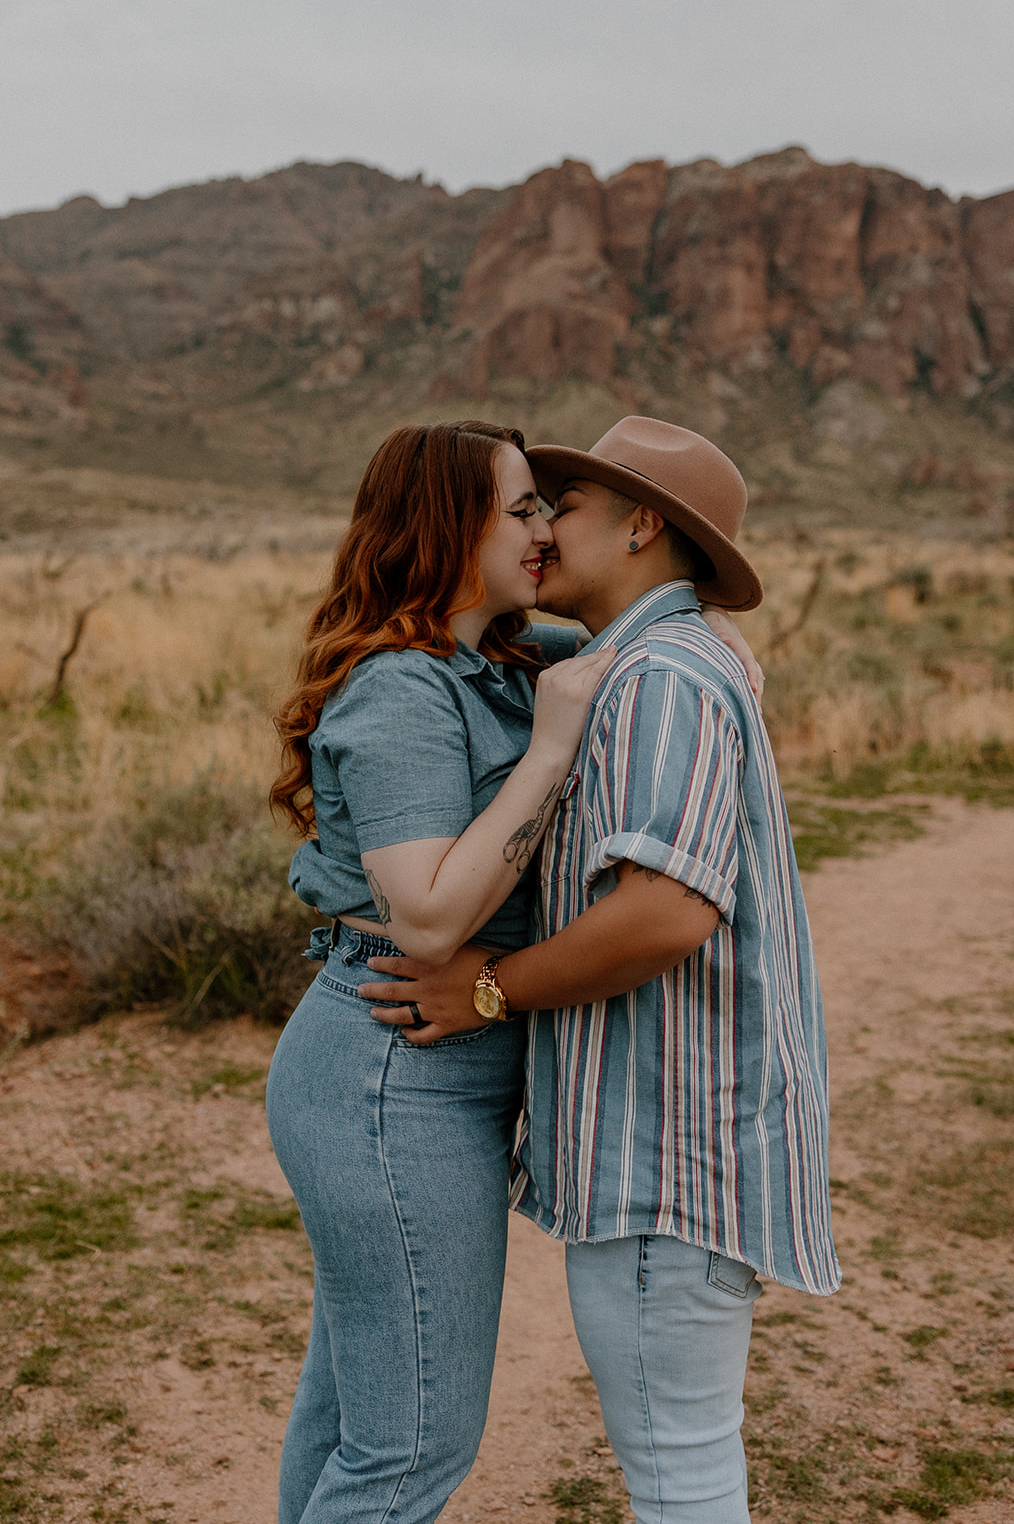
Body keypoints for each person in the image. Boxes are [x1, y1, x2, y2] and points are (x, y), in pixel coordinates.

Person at [362, 417, 841, 1524]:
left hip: (661, 1155)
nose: (536, 527)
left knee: (678, 1477)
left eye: (560, 506)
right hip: (674, 1148)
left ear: (640, 525)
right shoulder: (652, 660)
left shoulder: (660, 677)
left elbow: (665, 913)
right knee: (687, 1464)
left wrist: (488, 987)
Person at [265, 419, 618, 1524]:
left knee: (352, 1415)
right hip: (388, 1073)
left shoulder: (502, 662)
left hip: (415, 1073)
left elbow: (629, 647)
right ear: (445, 523)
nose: (543, 529)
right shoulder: (402, 690)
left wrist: (699, 633)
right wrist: (551, 754)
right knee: (410, 1447)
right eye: (519, 508)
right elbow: (423, 919)